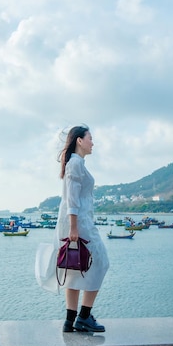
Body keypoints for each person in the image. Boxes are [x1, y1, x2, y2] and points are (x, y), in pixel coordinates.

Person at [56, 125, 109, 333]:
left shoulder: (76, 163)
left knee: (74, 269)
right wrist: (74, 227)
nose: (92, 142)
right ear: (80, 140)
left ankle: (70, 321)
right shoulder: (76, 163)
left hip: (77, 222)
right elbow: (72, 198)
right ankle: (84, 316)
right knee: (101, 263)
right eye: (90, 138)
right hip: (79, 223)